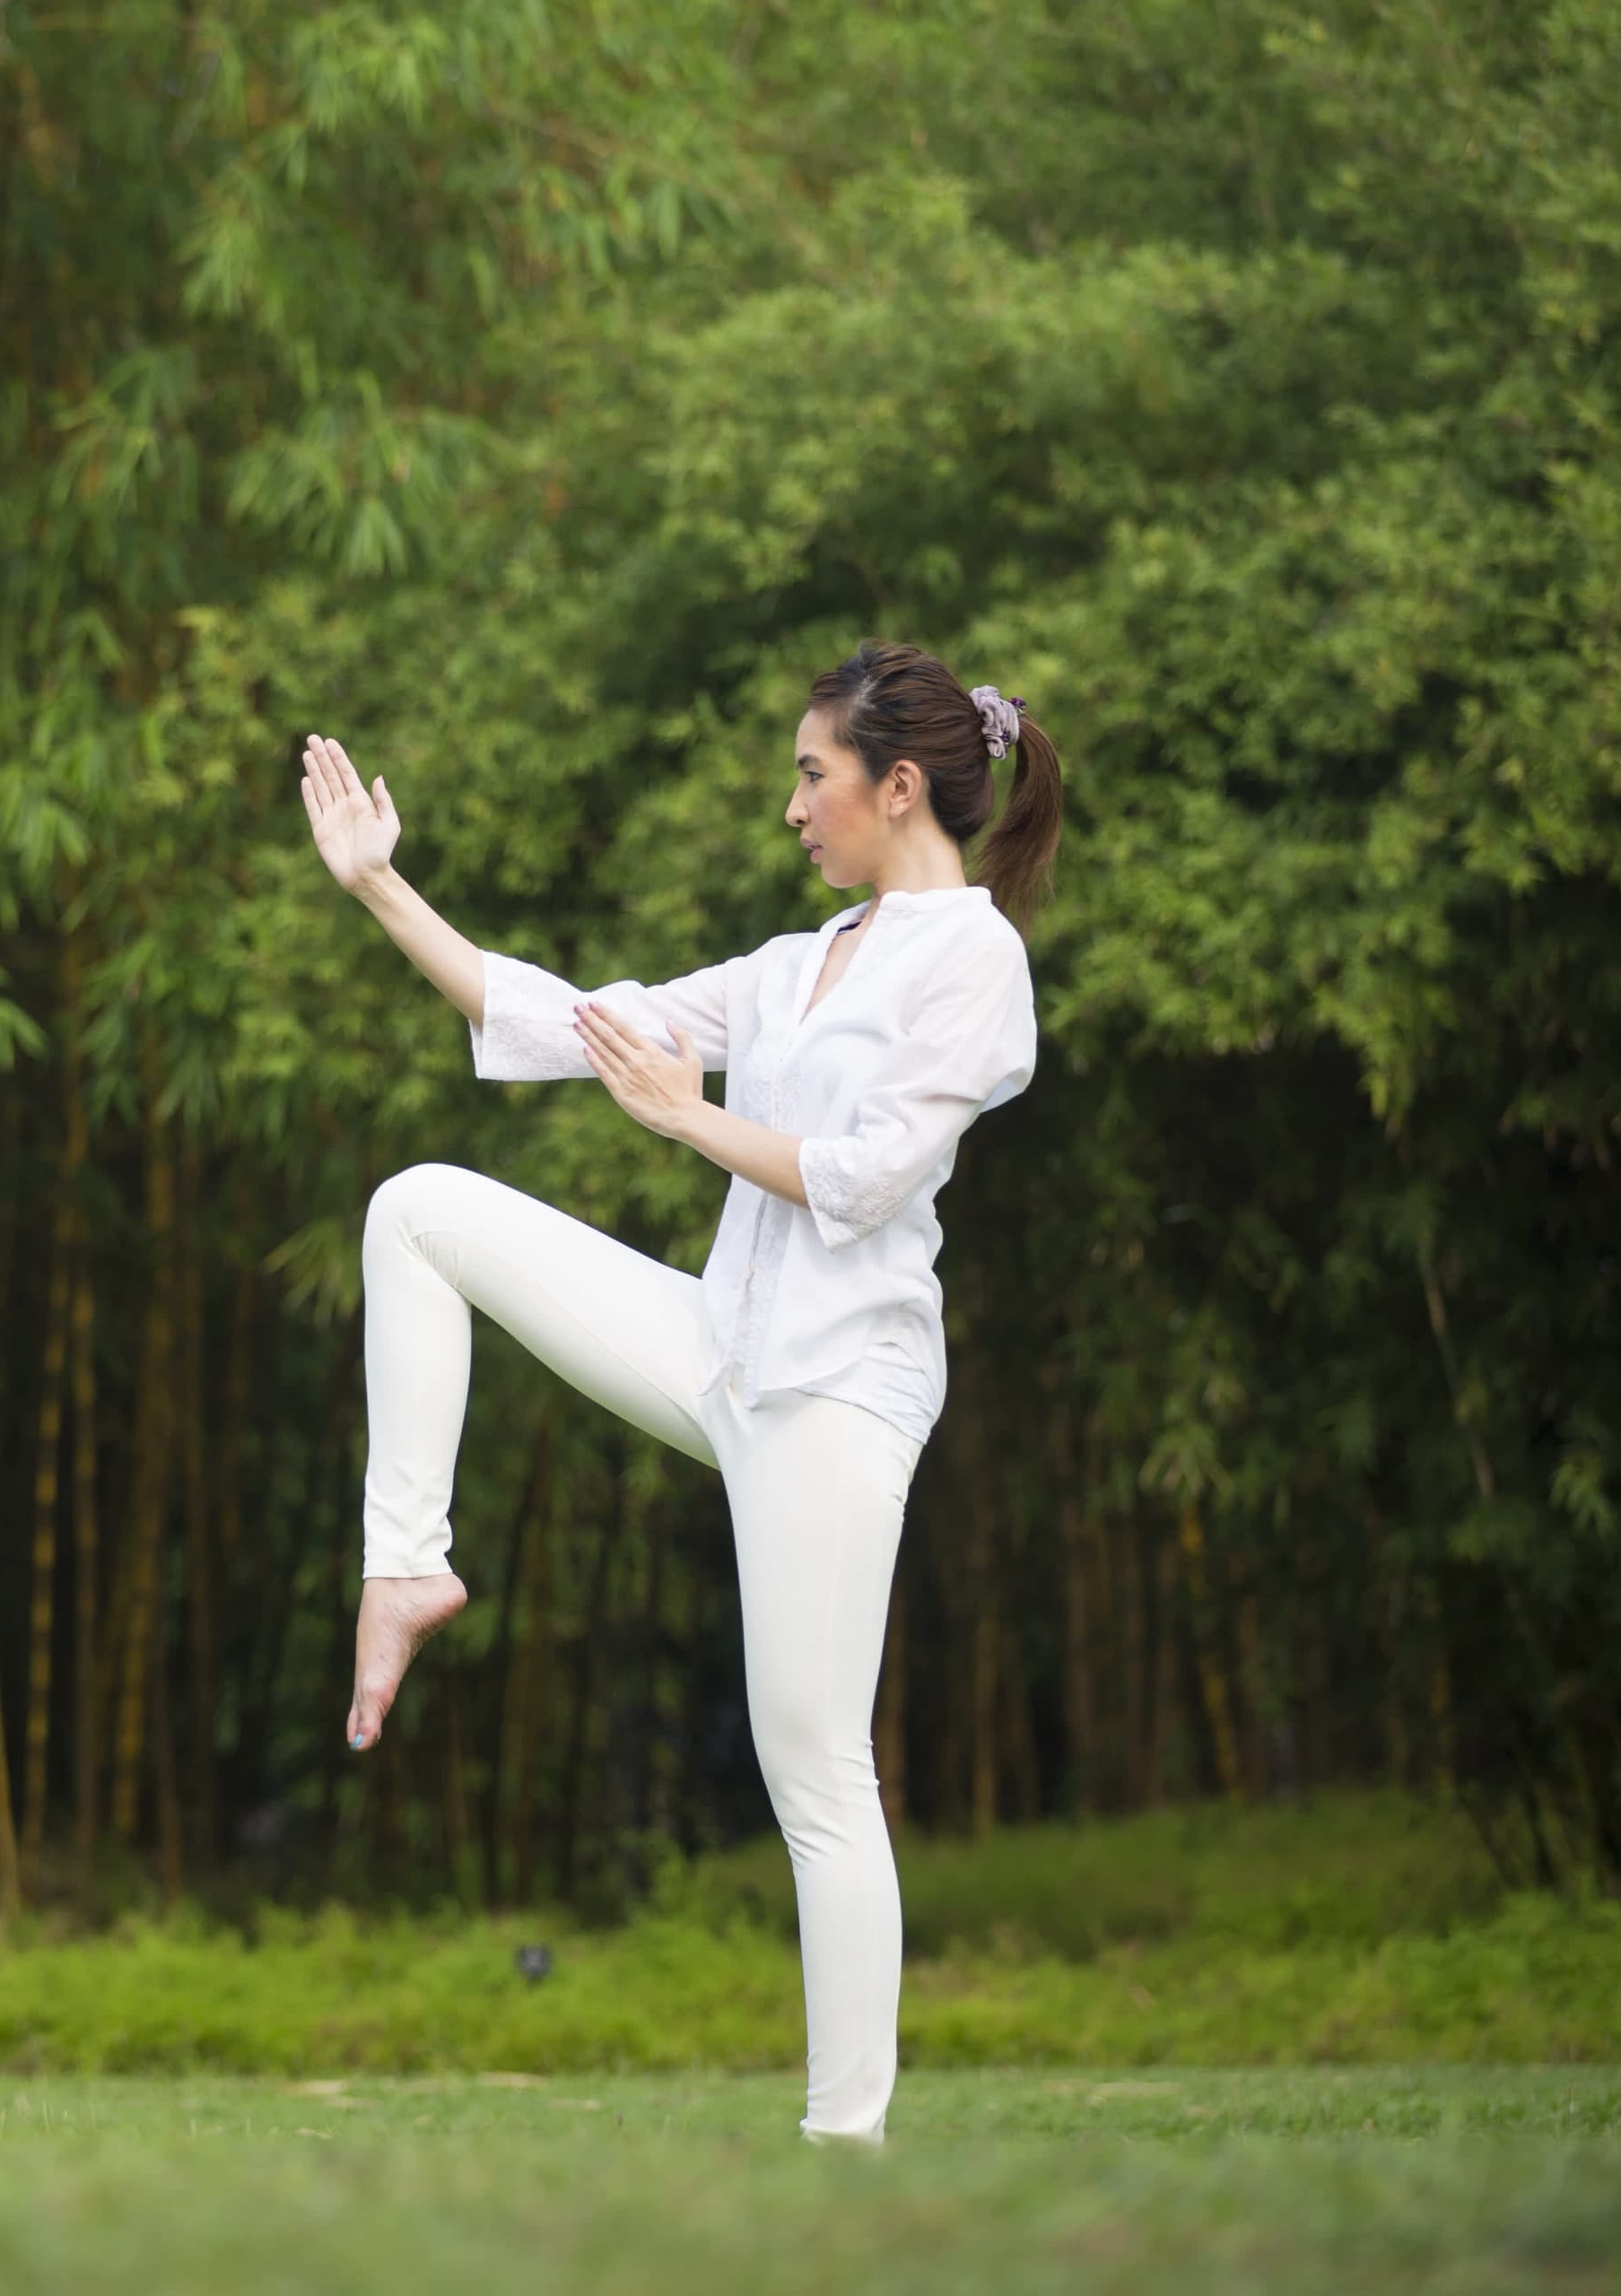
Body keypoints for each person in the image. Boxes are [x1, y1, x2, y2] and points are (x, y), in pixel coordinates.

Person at [298, 641, 1063, 2144]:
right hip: (725, 1345)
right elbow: (553, 1018)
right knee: (418, 1209)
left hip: (840, 1390)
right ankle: (408, 1567)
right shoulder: (794, 966)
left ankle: (845, 2150)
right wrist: (380, 886)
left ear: (897, 786)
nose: (791, 807)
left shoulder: (973, 960)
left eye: (809, 773)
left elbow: (867, 1179)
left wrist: (695, 1124)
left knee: (816, 1776)